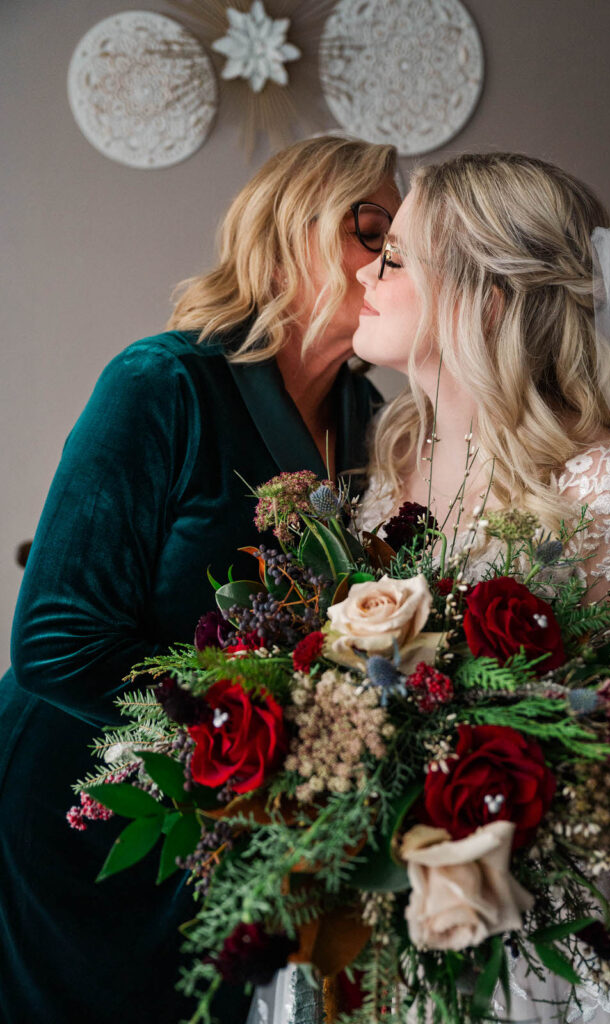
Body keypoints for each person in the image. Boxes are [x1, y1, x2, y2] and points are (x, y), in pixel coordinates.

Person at [0, 135, 400, 1024]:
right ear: (292, 230)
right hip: (80, 808)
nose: (391, 259)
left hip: (230, 832)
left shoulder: (367, 417)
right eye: (372, 229)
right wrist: (265, 728)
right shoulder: (163, 383)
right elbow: (54, 642)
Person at [351, 152, 610, 1023]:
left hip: (543, 955)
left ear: (481, 298)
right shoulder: (389, 472)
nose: (364, 272)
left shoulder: (604, 492)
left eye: (393, 258)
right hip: (383, 924)